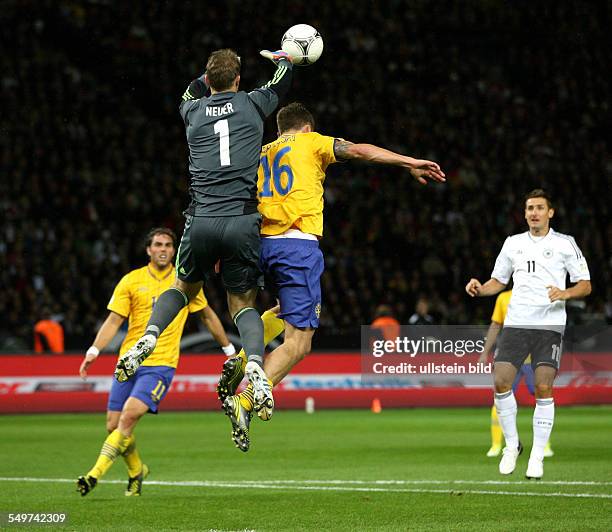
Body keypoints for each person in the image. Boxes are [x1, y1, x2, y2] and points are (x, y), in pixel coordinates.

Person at [218, 102, 445, 451]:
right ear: (307, 127)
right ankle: (245, 399)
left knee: (279, 310)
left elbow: (235, 197)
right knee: (300, 343)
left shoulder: (260, 152)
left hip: (256, 244)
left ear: (280, 129)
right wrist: (408, 161)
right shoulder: (311, 142)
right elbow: (358, 150)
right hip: (296, 245)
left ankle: (241, 358)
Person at [114, 48, 294, 419]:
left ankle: (148, 336)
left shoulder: (191, 109)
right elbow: (280, 83)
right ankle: (257, 366)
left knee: (182, 288)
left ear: (208, 81)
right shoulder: (252, 104)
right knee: (242, 304)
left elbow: (189, 91)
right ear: (239, 80)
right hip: (242, 220)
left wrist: (206, 78)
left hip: (202, 219)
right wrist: (286, 59)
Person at [76, 227, 233, 497]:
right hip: (129, 362)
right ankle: (137, 470)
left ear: (174, 250)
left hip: (161, 363)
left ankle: (94, 474)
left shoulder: (185, 281)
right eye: (158, 244)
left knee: (128, 417)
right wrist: (94, 350)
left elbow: (206, 315)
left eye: (168, 245)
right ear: (148, 249)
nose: (163, 249)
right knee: (114, 426)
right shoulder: (131, 280)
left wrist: (229, 349)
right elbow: (114, 320)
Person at [466, 189, 591, 479]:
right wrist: (480, 288)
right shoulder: (513, 244)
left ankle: (537, 455)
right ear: (524, 214)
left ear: (550, 213)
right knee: (500, 382)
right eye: (529, 208)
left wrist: (565, 292)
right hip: (517, 323)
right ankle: (512, 446)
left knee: (544, 387)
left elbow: (585, 284)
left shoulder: (564, 244)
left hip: (549, 326)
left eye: (539, 208)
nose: (534, 212)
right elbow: (499, 280)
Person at [478, 290, 553, 458]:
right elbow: (496, 324)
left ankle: (544, 445)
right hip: (509, 357)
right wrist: (485, 352)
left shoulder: (539, 293)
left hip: (532, 357)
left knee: (542, 398)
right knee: (499, 398)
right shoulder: (503, 298)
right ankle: (496, 444)